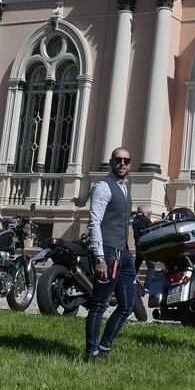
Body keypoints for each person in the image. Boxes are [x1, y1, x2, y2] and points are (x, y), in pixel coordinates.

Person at [84, 148, 137, 362]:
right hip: (107, 252)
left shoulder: (124, 188)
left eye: (126, 160)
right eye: (119, 160)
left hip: (123, 252)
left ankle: (105, 346)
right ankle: (92, 352)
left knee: (128, 305)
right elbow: (94, 222)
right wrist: (99, 258)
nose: (123, 163)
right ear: (111, 162)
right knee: (99, 304)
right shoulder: (103, 187)